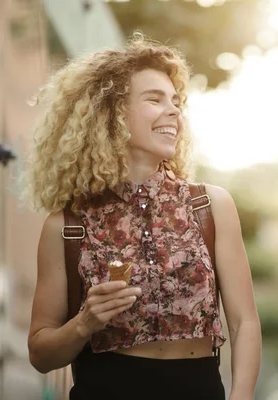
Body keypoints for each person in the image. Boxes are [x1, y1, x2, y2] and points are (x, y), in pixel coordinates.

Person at [25, 34, 261, 400]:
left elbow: (245, 323)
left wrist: (242, 396)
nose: (174, 111)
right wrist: (85, 322)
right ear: (112, 112)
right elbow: (40, 353)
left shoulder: (210, 206)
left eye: (176, 102)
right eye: (155, 99)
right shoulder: (67, 225)